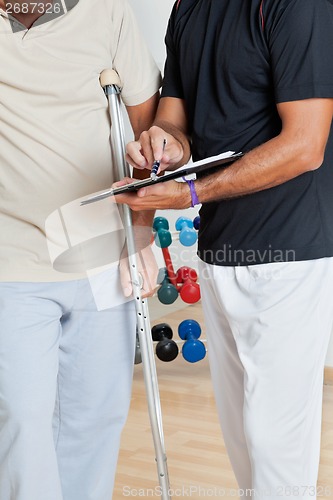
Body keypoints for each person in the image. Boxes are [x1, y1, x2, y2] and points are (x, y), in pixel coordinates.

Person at [114, 0, 333, 498]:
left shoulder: (300, 6)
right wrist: (162, 146)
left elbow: (306, 144)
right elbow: (176, 123)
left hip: (289, 254)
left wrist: (190, 193)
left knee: (276, 447)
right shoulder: (190, 6)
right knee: (243, 440)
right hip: (218, 250)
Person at [0, 0, 161, 499]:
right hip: (11, 258)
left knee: (94, 418)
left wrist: (141, 233)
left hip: (100, 250)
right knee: (21, 420)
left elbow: (147, 135)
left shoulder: (108, 12)